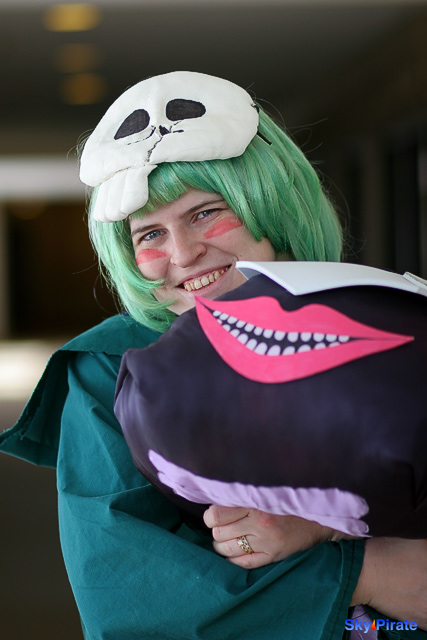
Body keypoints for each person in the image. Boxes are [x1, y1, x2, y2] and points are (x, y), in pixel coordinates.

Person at [1, 71, 426, 640]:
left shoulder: (381, 311)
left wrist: (323, 529)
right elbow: (134, 599)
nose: (183, 253)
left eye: (204, 212)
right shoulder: (110, 368)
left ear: (272, 205)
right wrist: (371, 570)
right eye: (149, 234)